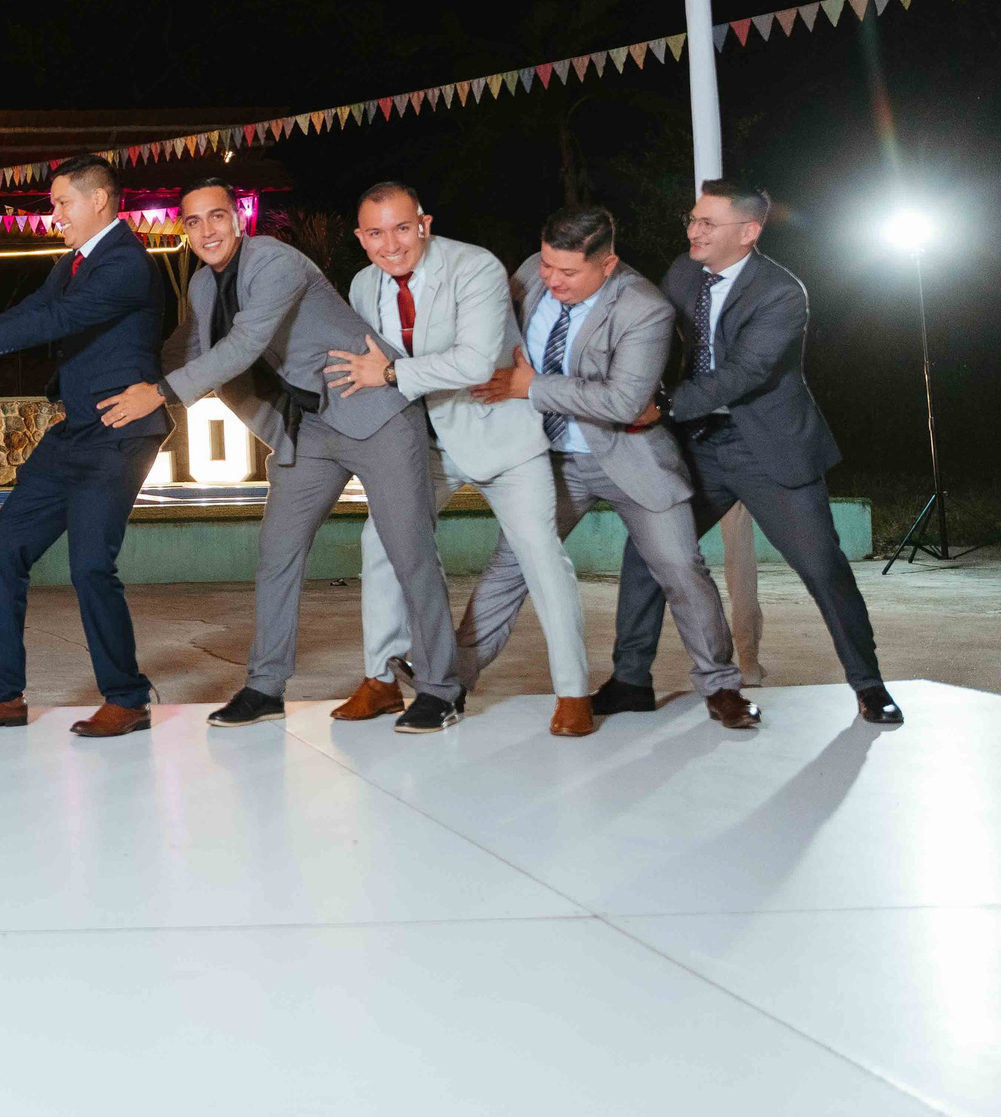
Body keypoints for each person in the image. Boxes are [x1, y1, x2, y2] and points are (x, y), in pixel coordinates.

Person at [101, 179, 464, 734]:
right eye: (194, 223)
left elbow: (243, 345)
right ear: (185, 232)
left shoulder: (275, 262)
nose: (207, 231)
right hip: (309, 429)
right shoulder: (202, 285)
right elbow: (188, 348)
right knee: (277, 553)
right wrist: (117, 376)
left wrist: (161, 393)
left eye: (216, 217)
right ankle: (266, 687)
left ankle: (441, 688)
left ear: (238, 220)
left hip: (375, 414)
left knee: (408, 549)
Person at [0, 155, 177, 739]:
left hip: (119, 433)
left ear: (99, 200)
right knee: (2, 546)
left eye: (61, 203)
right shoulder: (76, 263)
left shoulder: (125, 263)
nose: (54, 215)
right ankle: (2, 696)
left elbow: (58, 321)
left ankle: (126, 698)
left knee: (91, 563)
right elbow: (32, 313)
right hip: (74, 432)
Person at [608, 180, 899, 725]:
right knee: (647, 553)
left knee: (823, 569)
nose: (694, 231)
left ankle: (869, 685)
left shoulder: (782, 292)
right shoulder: (683, 272)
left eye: (707, 224)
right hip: (698, 447)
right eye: (691, 219)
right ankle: (629, 681)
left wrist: (663, 405)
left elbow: (747, 372)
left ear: (748, 232)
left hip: (767, 448)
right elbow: (653, 335)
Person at [466, 205, 756, 727]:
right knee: (510, 569)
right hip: (549, 460)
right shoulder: (533, 271)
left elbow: (624, 403)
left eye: (568, 272)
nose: (551, 279)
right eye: (548, 265)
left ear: (607, 264)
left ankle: (722, 688)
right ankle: (447, 681)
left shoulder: (645, 307)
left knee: (681, 571)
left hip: (631, 457)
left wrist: (531, 387)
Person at [332, 183, 595, 735]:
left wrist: (389, 374)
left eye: (402, 228)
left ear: (424, 224)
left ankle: (573, 693)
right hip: (421, 443)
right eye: (375, 233)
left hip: (499, 433)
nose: (391, 244)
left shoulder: (475, 268)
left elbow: (476, 363)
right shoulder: (361, 285)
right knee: (379, 541)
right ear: (361, 238)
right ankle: (381, 678)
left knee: (540, 556)